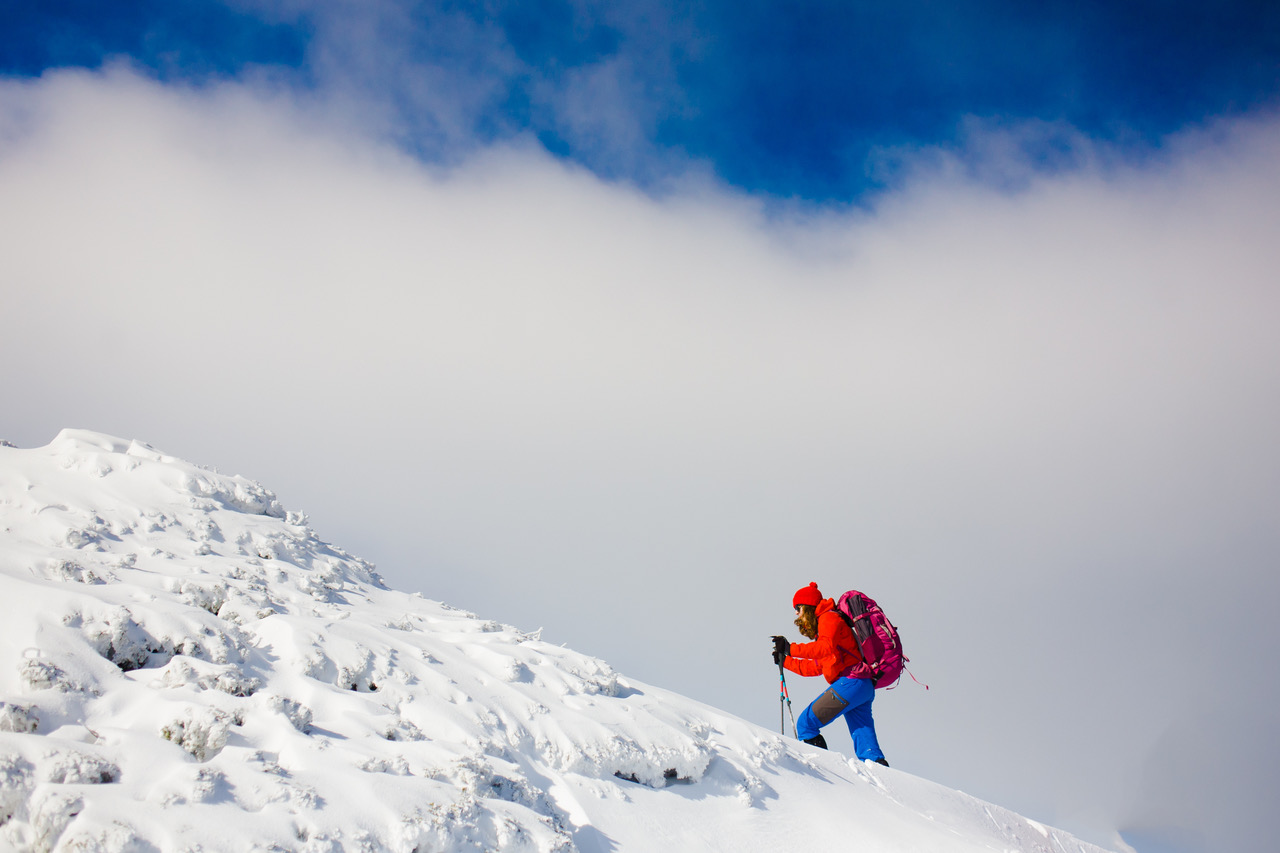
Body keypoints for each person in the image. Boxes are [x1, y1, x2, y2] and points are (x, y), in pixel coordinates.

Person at [772, 582, 889, 766]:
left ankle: (822, 771)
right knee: (869, 752)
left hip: (851, 682)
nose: (796, 613)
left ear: (808, 607)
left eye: (798, 608)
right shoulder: (827, 627)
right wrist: (785, 661)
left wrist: (790, 648)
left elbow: (824, 648)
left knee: (806, 725)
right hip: (861, 686)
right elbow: (817, 667)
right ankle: (884, 780)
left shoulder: (828, 619)